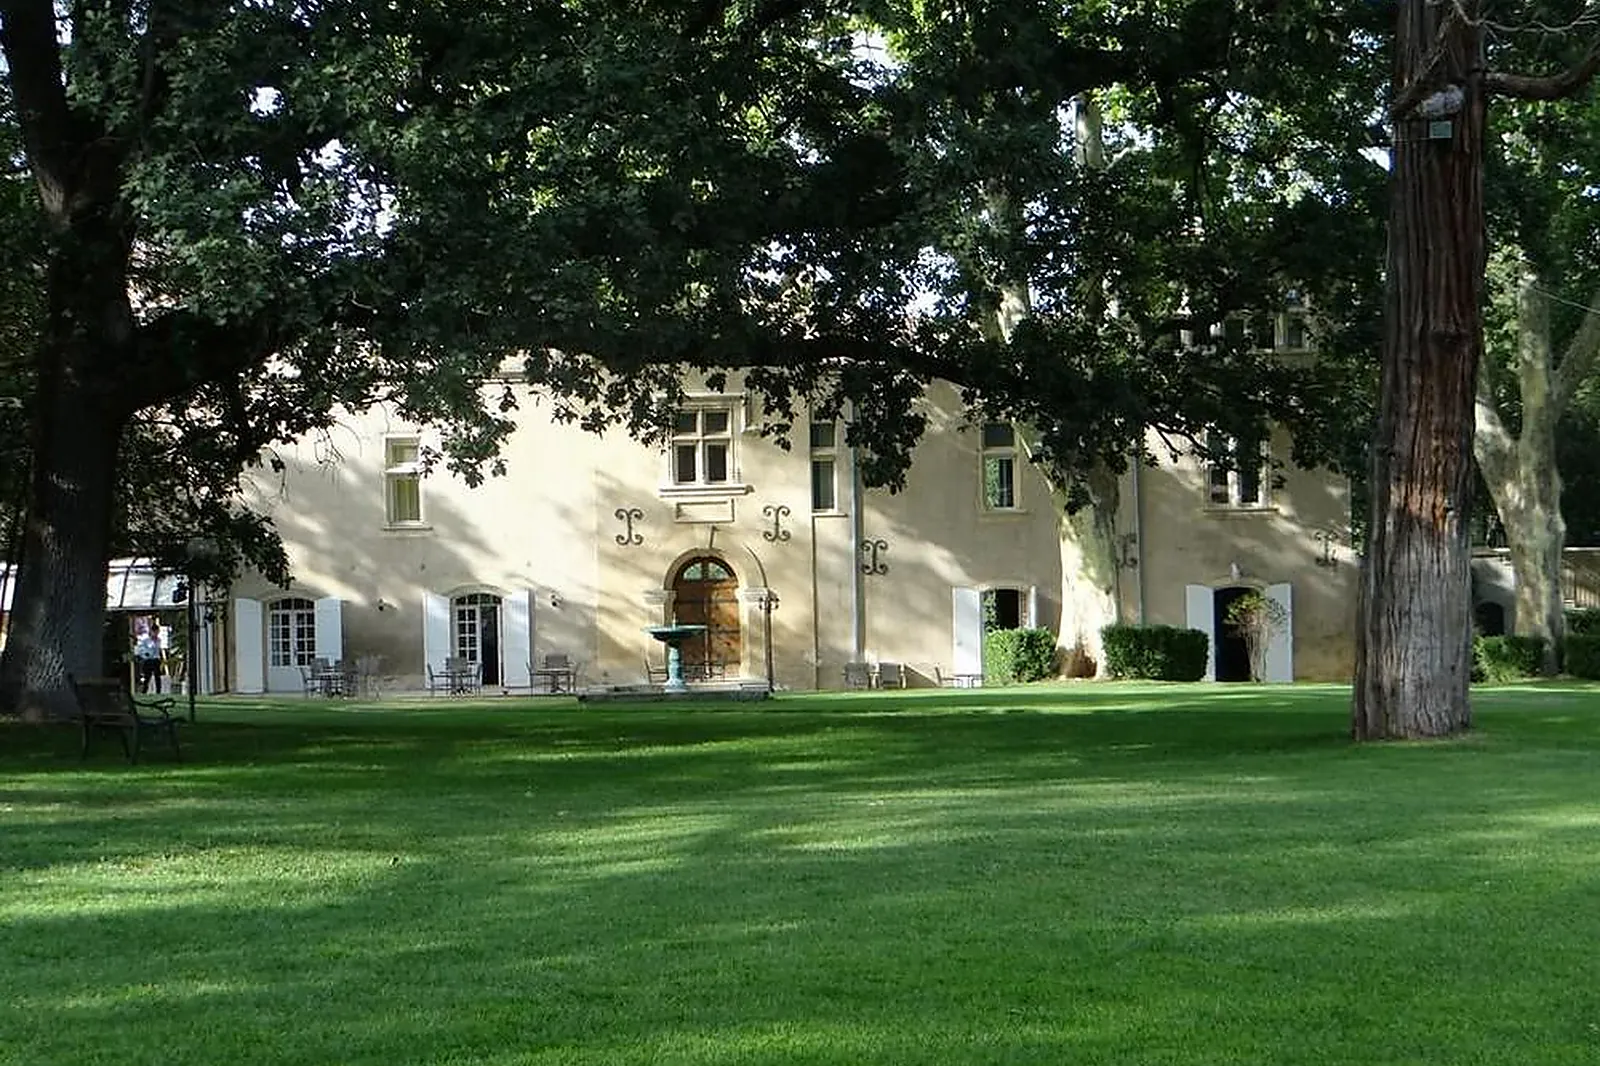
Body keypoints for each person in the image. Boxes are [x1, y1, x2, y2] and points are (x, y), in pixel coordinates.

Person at [133, 622, 164, 694]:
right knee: (147, 676)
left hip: (156, 659)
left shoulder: (159, 640)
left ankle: (158, 691)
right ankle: (144, 691)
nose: (156, 634)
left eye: (157, 632)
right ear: (152, 631)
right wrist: (145, 654)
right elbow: (142, 649)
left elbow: (158, 650)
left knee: (157, 676)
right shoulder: (146, 640)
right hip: (148, 660)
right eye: (154, 632)